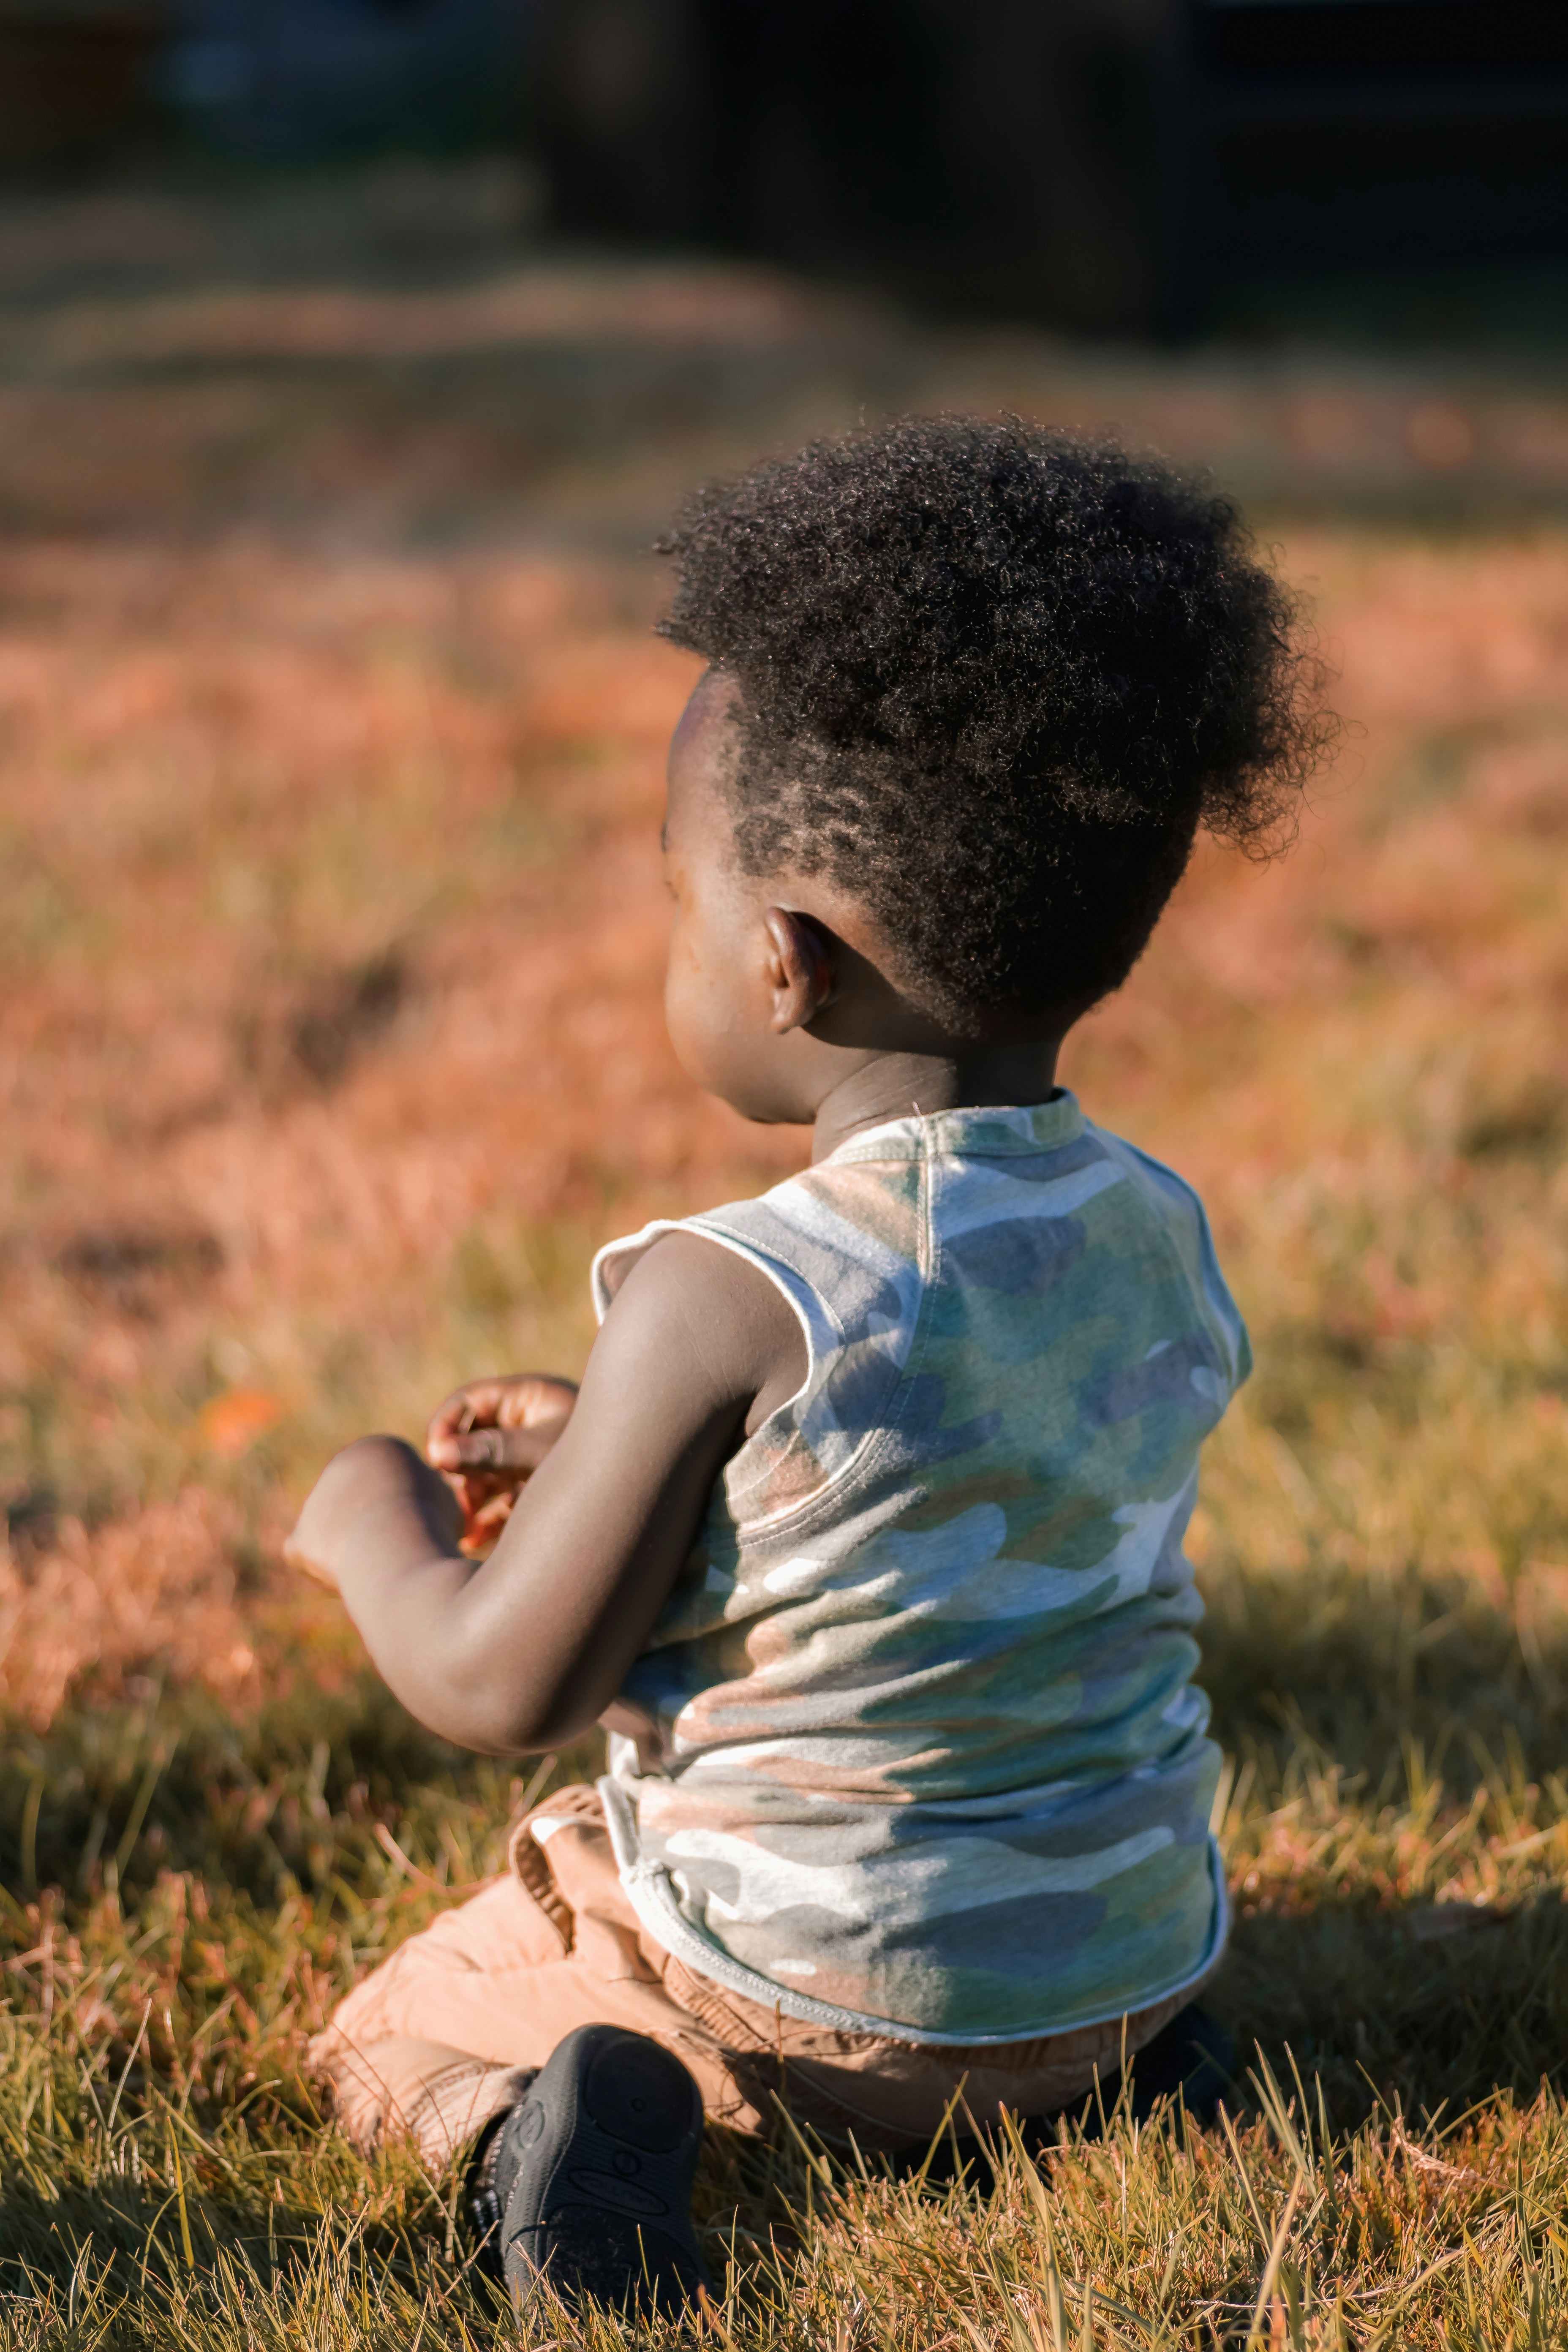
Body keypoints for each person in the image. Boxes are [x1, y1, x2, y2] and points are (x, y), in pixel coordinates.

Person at [285, 416, 1327, 2313]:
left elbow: (503, 1682)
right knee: (1058, 1947)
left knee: (386, 2026)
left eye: (671, 898)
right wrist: (618, 1441)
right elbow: (929, 1472)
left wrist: (367, 1518)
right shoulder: (1148, 1224)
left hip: (817, 1998)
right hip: (1126, 1956)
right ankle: (1121, 2082)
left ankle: (545, 2124)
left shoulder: (722, 1295)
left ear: (784, 959)